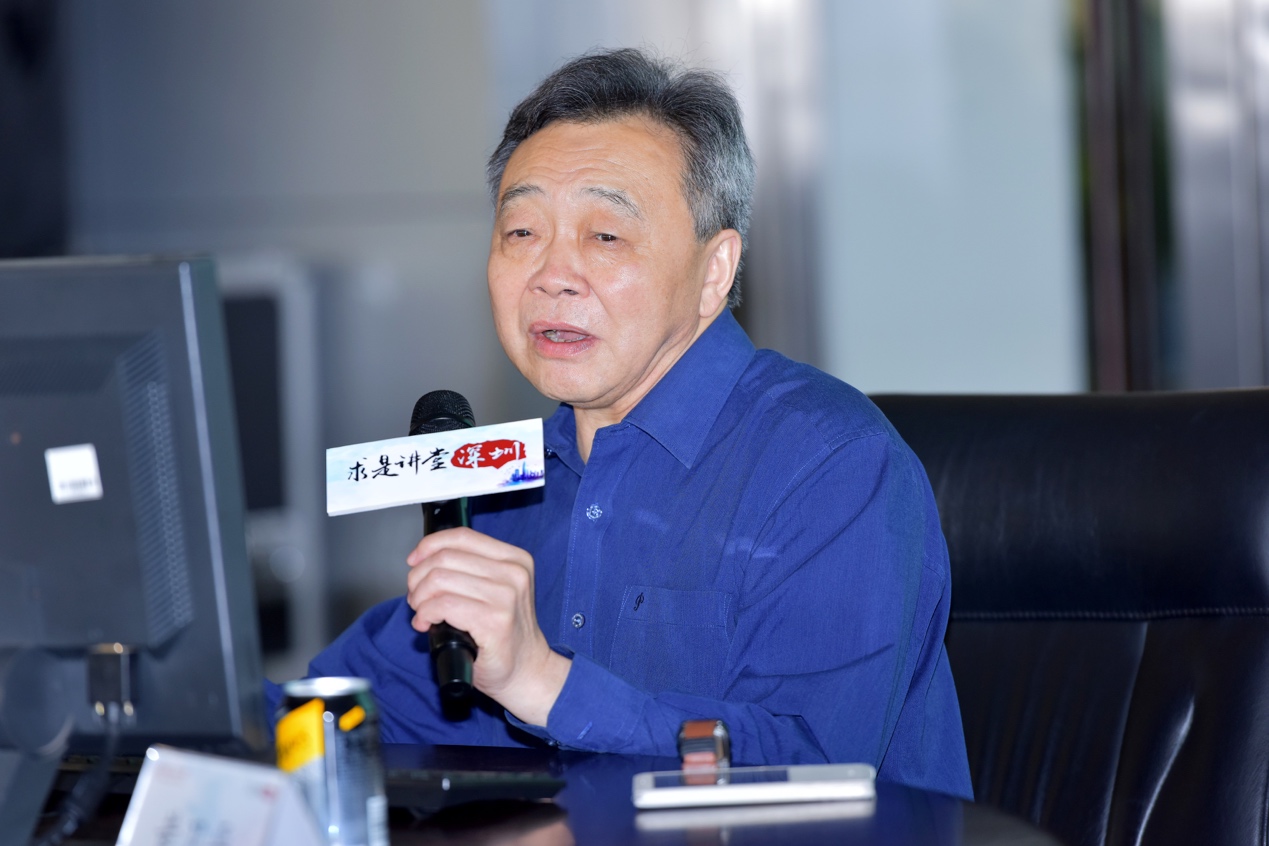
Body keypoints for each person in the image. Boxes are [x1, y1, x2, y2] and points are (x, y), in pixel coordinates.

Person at [296, 47, 972, 799]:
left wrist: (541, 682)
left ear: (713, 272)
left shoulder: (833, 465)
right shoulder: (493, 484)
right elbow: (349, 708)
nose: (551, 275)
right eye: (521, 232)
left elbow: (815, 771)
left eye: (605, 236)